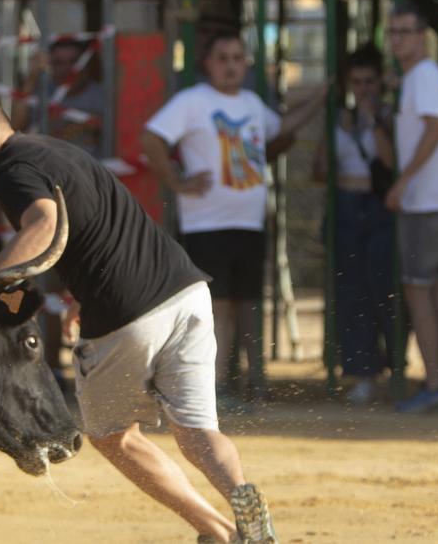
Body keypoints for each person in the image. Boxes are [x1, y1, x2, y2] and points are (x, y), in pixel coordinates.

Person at [0, 79, 277, 544]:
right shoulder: (54, 149)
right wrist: (78, 295)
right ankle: (242, 499)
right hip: (187, 292)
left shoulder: (10, 172)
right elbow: (90, 230)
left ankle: (218, 530)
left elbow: (44, 222)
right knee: (197, 432)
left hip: (127, 315)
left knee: (114, 436)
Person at [139, 32, 325, 405]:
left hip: (249, 221)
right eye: (222, 57)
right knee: (218, 306)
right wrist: (176, 181)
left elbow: (282, 128)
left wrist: (322, 97)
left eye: (237, 58)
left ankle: (254, 383)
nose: (230, 65)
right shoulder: (192, 102)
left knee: (249, 305)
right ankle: (216, 386)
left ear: (246, 65)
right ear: (207, 64)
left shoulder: (252, 103)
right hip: (207, 223)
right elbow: (151, 138)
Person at [385, 2, 438, 413]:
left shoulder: (421, 76)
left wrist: (403, 181)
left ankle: (437, 382)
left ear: (423, 36)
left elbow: (434, 130)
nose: (398, 39)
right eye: (393, 32)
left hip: (429, 202)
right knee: (436, 291)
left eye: (405, 32)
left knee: (419, 292)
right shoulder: (427, 76)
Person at [311, 45, 398, 404]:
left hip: (378, 208)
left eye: (369, 82)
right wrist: (335, 131)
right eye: (357, 82)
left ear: (380, 83)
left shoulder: (391, 115)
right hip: (346, 207)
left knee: (385, 289)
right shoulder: (338, 118)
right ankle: (362, 373)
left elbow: (393, 164)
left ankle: (396, 367)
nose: (363, 89)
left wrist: (374, 120)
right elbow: (318, 171)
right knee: (351, 293)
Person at [11, 39, 106, 157]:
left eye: (74, 62)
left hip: (89, 171)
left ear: (86, 64)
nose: (67, 68)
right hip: (46, 169)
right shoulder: (41, 92)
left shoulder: (104, 96)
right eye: (58, 62)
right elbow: (16, 126)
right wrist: (32, 75)